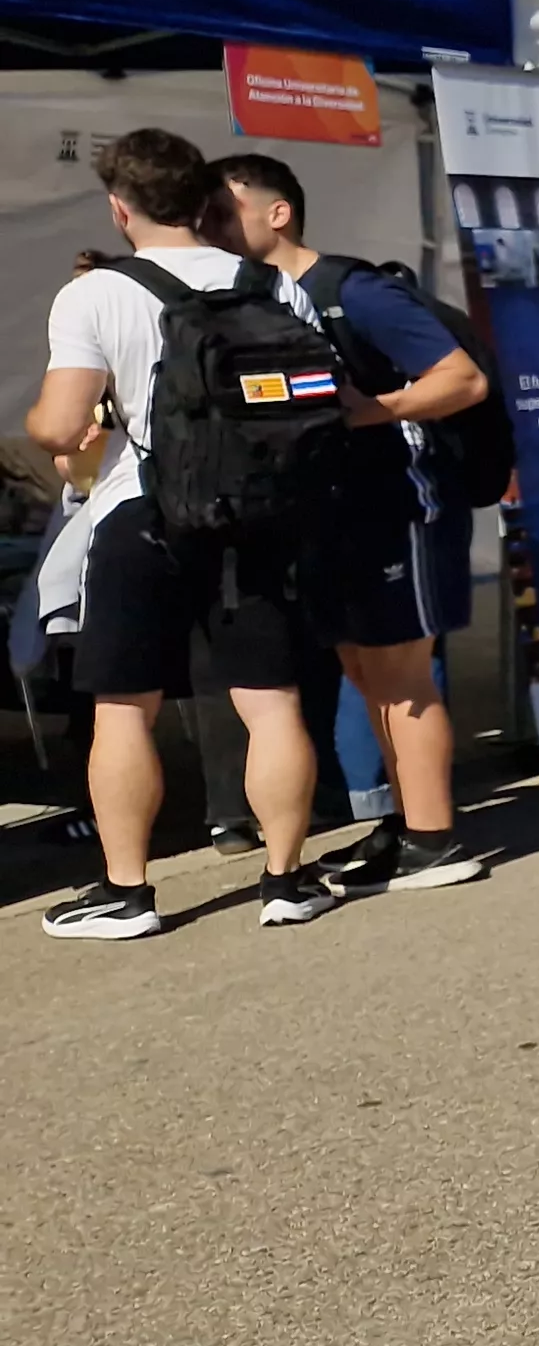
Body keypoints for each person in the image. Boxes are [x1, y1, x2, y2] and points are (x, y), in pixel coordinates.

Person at [31, 130, 336, 938]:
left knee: (122, 710)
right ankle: (286, 879)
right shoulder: (272, 284)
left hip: (142, 512)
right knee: (272, 706)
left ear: (118, 207)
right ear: (206, 203)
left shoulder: (93, 294)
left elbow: (60, 427)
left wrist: (56, 421)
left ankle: (127, 893)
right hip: (254, 514)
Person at [213, 155, 492, 895]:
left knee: (402, 673)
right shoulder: (251, 297)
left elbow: (463, 379)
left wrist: (375, 411)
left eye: (227, 205)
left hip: (402, 501)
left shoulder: (350, 288)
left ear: (279, 213)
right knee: (365, 670)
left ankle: (435, 841)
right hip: (333, 510)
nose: (214, 220)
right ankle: (407, 823)